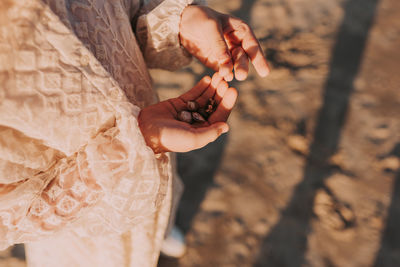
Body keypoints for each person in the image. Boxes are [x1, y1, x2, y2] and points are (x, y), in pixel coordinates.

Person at [0, 0, 269, 266]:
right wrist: (132, 146)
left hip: (152, 116)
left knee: (162, 200)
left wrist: (180, 24)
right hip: (85, 223)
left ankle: (160, 230)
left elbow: (122, 9)